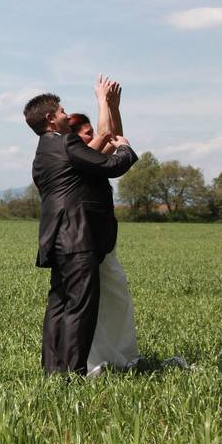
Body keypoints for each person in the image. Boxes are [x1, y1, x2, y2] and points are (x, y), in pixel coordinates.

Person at [23, 91, 138, 376]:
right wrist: (125, 147)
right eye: (61, 111)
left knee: (58, 306)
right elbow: (111, 165)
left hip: (56, 238)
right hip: (78, 236)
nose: (65, 114)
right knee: (79, 309)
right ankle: (74, 374)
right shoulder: (66, 143)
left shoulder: (42, 154)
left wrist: (109, 106)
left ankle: (53, 372)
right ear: (51, 118)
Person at [68, 76, 140, 375]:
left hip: (103, 242)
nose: (92, 136)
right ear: (76, 138)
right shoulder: (76, 157)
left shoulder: (91, 157)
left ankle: (122, 360)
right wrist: (102, 101)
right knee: (94, 307)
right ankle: (95, 363)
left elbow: (113, 136)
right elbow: (108, 134)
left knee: (117, 301)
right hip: (86, 243)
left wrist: (113, 106)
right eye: (86, 133)